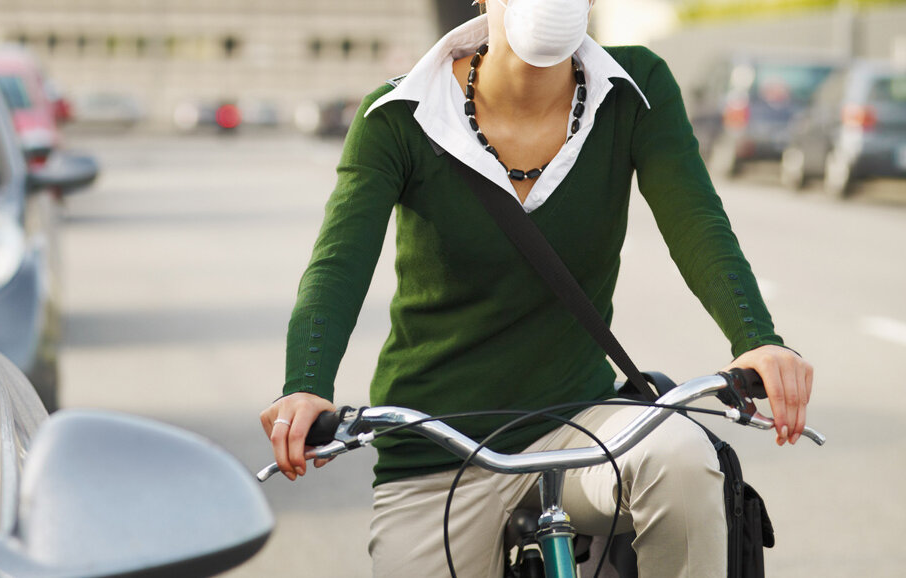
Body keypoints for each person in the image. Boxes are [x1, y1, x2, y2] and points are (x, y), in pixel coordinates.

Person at [259, 0, 814, 576]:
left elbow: (697, 221)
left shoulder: (635, 89)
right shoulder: (398, 114)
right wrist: (306, 385)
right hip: (438, 441)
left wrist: (757, 338)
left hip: (580, 422)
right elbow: (337, 266)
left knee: (683, 458)